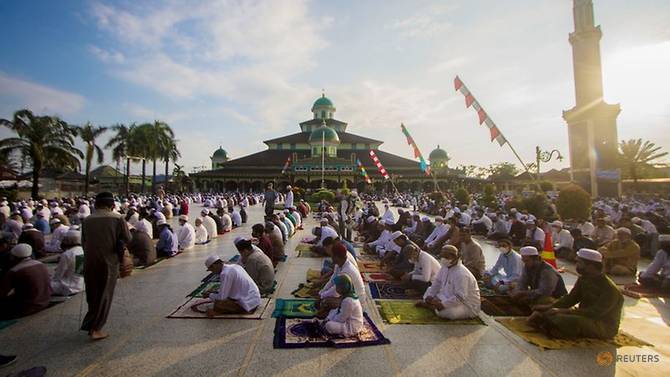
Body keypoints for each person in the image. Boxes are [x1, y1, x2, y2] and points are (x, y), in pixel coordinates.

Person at [528, 248, 623, 340]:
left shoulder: (610, 289)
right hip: (584, 315)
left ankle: (549, 326)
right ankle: (547, 323)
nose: (576, 265)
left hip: (603, 325)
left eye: (579, 263)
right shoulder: (584, 278)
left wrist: (562, 311)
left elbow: (594, 313)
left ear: (591, 266)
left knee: (571, 320)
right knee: (545, 302)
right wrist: (549, 307)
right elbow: (571, 299)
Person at [80, 192, 132, 340]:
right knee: (105, 294)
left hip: (90, 260)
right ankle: (96, 328)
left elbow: (84, 241)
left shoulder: (88, 220)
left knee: (93, 293)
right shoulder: (117, 218)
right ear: (112, 205)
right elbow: (128, 238)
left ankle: (91, 323)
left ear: (96, 204)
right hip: (109, 261)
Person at [416, 245, 481, 320]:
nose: (443, 259)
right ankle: (433, 306)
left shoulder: (462, 274)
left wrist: (443, 305)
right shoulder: (445, 267)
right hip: (447, 296)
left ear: (455, 257)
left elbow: (460, 297)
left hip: (467, 305)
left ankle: (432, 307)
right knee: (429, 291)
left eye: (446, 257)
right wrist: (430, 296)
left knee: (448, 313)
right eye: (442, 256)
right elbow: (437, 282)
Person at [0, 244, 50, 319]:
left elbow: (2, 293)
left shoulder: (14, 271)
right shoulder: (41, 264)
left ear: (13, 257)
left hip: (27, 308)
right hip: (45, 302)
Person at [317, 243, 365, 318]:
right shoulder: (339, 264)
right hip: (346, 294)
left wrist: (322, 296)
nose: (331, 257)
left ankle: (335, 315)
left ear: (337, 257)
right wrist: (321, 292)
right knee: (325, 296)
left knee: (327, 301)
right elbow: (332, 281)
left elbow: (335, 290)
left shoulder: (347, 270)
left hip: (356, 300)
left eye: (332, 255)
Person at [50, 230, 85, 296]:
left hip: (69, 287)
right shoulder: (83, 251)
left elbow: (58, 276)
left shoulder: (67, 254)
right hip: (82, 285)